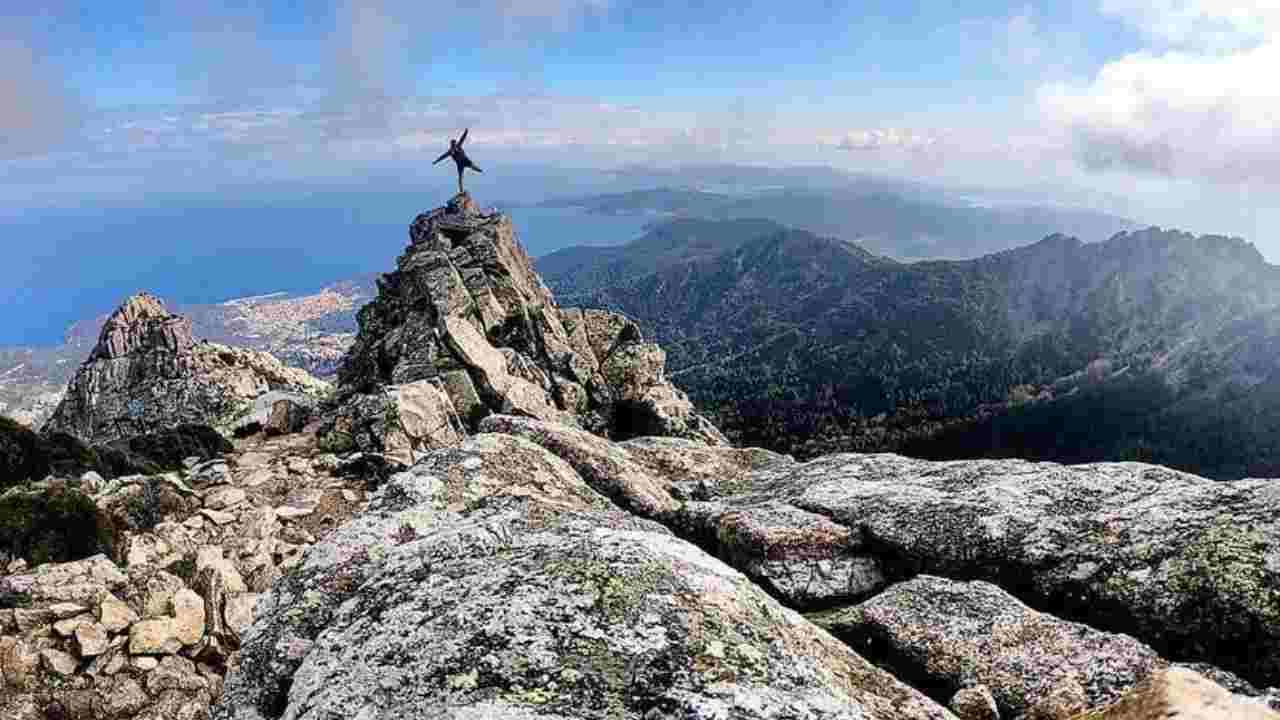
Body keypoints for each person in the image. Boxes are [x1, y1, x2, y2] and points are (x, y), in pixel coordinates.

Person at [433, 128, 483, 193]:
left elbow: (462, 139)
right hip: (460, 164)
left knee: (474, 167)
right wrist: (436, 161)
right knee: (460, 178)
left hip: (465, 160)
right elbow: (442, 157)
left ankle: (479, 170)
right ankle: (461, 191)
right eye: (452, 145)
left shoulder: (458, 146)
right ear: (451, 145)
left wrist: (465, 132)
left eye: (454, 145)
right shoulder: (450, 151)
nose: (453, 146)